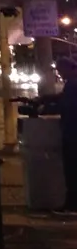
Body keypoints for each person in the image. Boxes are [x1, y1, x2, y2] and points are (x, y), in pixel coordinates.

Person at [51, 58, 77, 213]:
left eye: (60, 70)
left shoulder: (73, 84)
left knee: (72, 168)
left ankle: (72, 204)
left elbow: (67, 105)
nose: (59, 74)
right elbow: (62, 98)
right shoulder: (73, 83)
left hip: (73, 133)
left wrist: (45, 108)